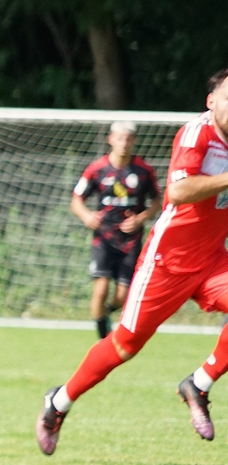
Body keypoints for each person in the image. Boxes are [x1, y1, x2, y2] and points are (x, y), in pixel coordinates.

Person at [37, 68, 228, 456]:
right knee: (125, 344)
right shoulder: (197, 133)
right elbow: (178, 191)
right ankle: (58, 402)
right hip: (167, 262)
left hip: (211, 260)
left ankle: (198, 384)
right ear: (211, 101)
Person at [71, 121, 161, 339]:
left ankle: (105, 314)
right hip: (103, 238)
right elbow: (76, 200)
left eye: (128, 139)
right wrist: (86, 215)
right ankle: (103, 339)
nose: (124, 143)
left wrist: (140, 218)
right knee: (100, 289)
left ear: (134, 141)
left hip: (130, 241)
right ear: (111, 139)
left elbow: (157, 201)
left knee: (122, 295)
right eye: (119, 138)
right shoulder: (97, 169)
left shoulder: (143, 171)